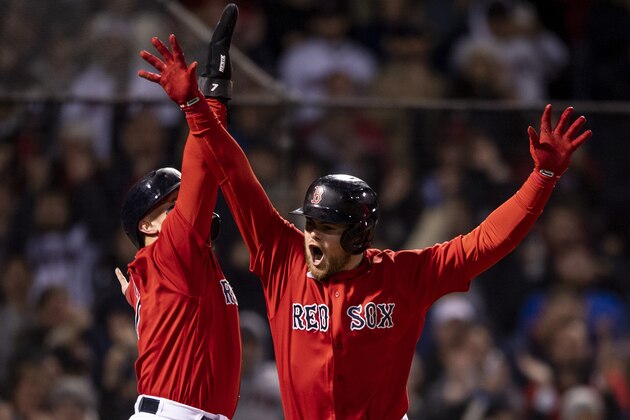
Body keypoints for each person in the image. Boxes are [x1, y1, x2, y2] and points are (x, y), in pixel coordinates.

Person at [137, 10, 592, 419]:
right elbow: (235, 175)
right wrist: (198, 106)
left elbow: (489, 240)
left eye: (327, 228)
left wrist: (543, 177)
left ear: (358, 236)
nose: (311, 236)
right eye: (310, 223)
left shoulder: (404, 277)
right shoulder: (283, 258)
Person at [114, 5, 241, 420]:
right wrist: (204, 96)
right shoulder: (172, 253)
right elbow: (204, 166)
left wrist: (137, 296)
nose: (185, 207)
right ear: (147, 225)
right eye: (171, 205)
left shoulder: (174, 266)